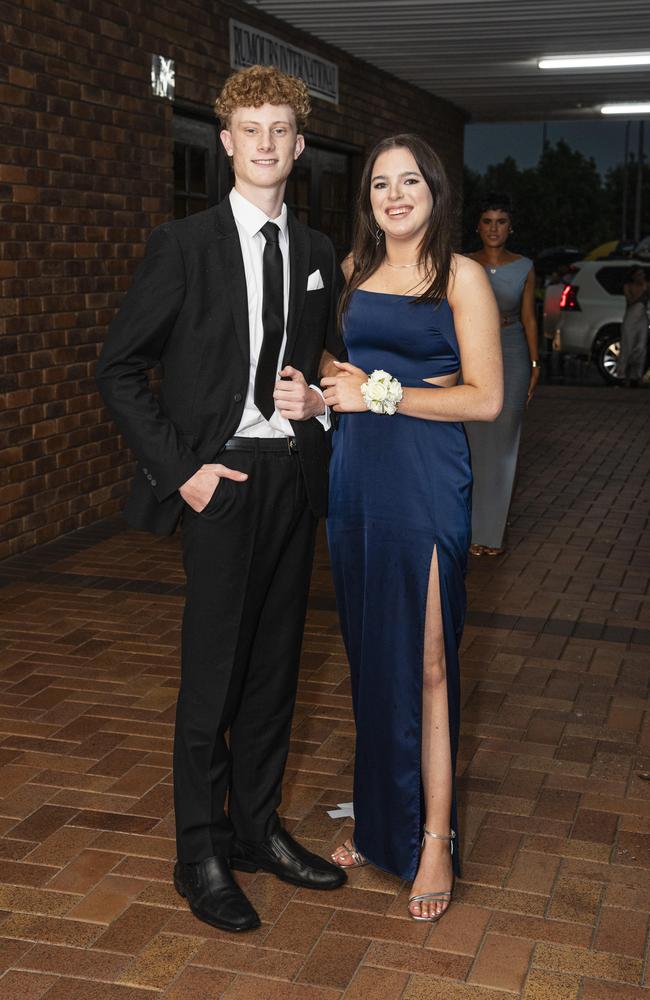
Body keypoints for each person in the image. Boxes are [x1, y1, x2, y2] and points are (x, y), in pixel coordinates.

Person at [96, 64, 346, 935]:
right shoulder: (185, 245)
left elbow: (327, 366)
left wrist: (318, 401)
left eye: (283, 130)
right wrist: (185, 471)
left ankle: (255, 830)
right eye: (252, 130)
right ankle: (198, 851)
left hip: (293, 482)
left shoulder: (317, 255)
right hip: (221, 485)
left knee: (276, 673)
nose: (267, 144)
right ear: (227, 142)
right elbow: (118, 370)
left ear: (300, 145)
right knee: (214, 680)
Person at [321, 135, 502, 922]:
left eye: (410, 182)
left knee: (427, 660)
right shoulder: (356, 273)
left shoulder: (460, 276)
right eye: (380, 184)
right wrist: (334, 385)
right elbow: (341, 366)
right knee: (370, 650)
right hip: (357, 473)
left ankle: (432, 837)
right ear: (368, 198)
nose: (395, 196)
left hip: (427, 476)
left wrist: (385, 394)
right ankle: (376, 818)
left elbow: (485, 399)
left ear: (435, 192)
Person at [464, 194, 539, 557]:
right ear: (477, 226)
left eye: (502, 221)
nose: (494, 228)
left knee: (505, 444)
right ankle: (472, 527)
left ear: (511, 228)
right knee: (475, 444)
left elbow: (529, 319)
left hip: (512, 352)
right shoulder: (462, 264)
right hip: (472, 352)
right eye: (488, 221)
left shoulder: (524, 266)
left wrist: (536, 366)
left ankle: (490, 534)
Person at [618, 266, 648, 387]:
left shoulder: (647, 285)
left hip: (642, 319)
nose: (642, 277)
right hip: (630, 318)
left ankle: (637, 375)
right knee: (627, 346)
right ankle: (622, 374)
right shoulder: (628, 286)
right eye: (639, 274)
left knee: (641, 347)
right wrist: (642, 292)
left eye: (643, 274)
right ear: (633, 276)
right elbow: (630, 301)